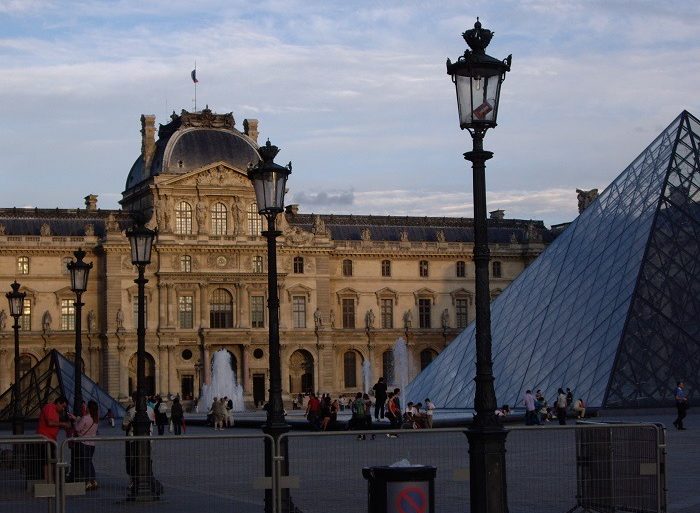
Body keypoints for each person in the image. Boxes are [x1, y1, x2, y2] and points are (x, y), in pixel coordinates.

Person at [36, 395, 71, 483]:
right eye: (63, 406)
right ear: (58, 403)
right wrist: (64, 424)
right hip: (45, 438)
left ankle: (51, 480)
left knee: (50, 461)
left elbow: (54, 423)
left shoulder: (55, 410)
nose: (63, 409)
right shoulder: (50, 407)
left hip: (50, 439)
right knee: (47, 461)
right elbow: (50, 422)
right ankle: (49, 481)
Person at [70, 400, 100, 490]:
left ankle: (87, 482)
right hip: (92, 444)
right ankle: (93, 480)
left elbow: (78, 428)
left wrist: (75, 421)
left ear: (89, 408)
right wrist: (77, 418)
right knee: (89, 462)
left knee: (85, 463)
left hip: (84, 443)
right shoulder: (96, 418)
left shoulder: (85, 418)